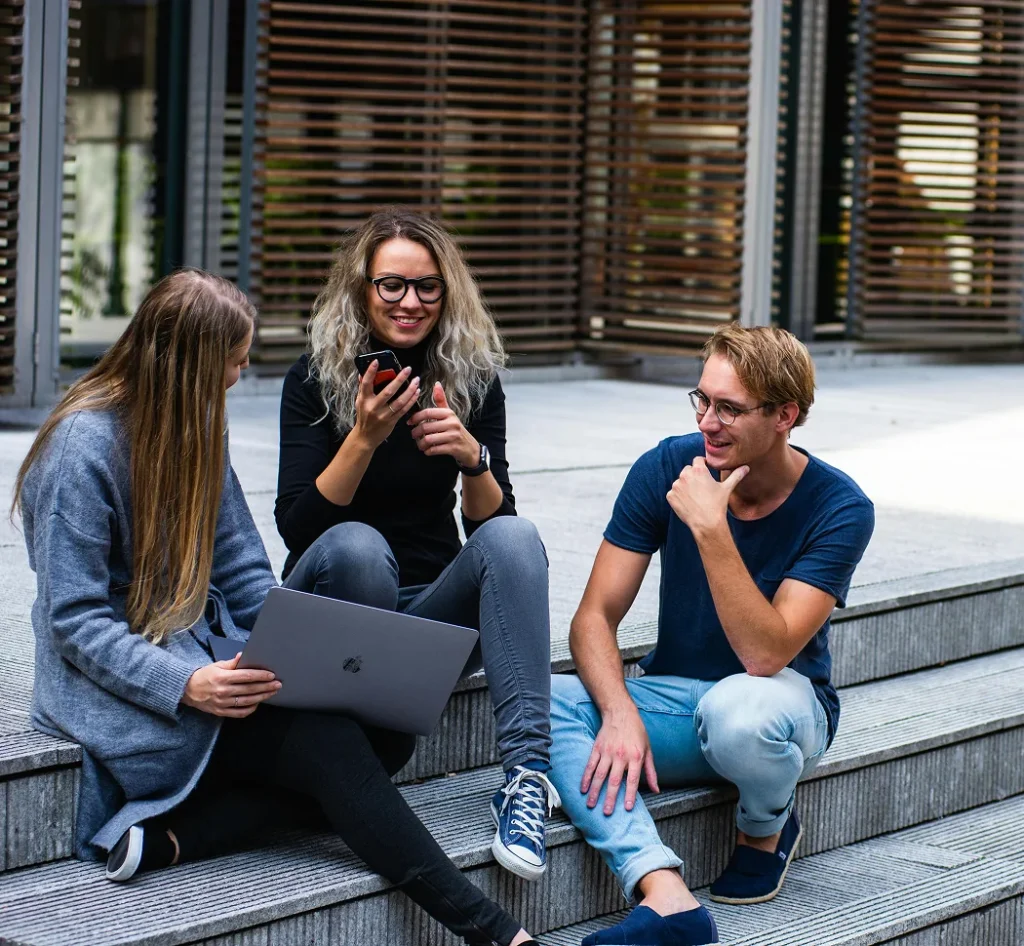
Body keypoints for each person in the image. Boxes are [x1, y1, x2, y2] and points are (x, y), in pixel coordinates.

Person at [13, 269, 539, 946]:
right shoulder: (79, 449)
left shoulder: (196, 424)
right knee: (331, 744)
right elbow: (75, 620)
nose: (238, 377)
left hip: (208, 660)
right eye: (233, 362)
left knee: (388, 740)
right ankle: (494, 931)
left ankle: (188, 834)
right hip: (126, 691)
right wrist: (186, 683)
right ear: (189, 363)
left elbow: (241, 569)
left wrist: (291, 648)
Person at [547, 324, 875, 946]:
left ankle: (765, 826)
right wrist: (618, 711)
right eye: (702, 400)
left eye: (729, 408)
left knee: (739, 713)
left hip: (778, 708)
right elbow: (593, 616)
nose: (707, 422)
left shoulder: (840, 507)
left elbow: (766, 654)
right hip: (676, 699)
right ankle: (663, 891)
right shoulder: (667, 465)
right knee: (543, 699)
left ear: (785, 416)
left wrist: (710, 528)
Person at [274, 206, 559, 882]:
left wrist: (471, 459)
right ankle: (353, 747)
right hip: (338, 608)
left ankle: (526, 778)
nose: (410, 302)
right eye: (392, 285)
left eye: (428, 286)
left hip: (428, 619)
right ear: (362, 288)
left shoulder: (471, 379)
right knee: (358, 547)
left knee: (517, 537)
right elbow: (299, 529)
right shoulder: (313, 379)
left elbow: (492, 534)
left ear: (447, 291)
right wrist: (364, 438)